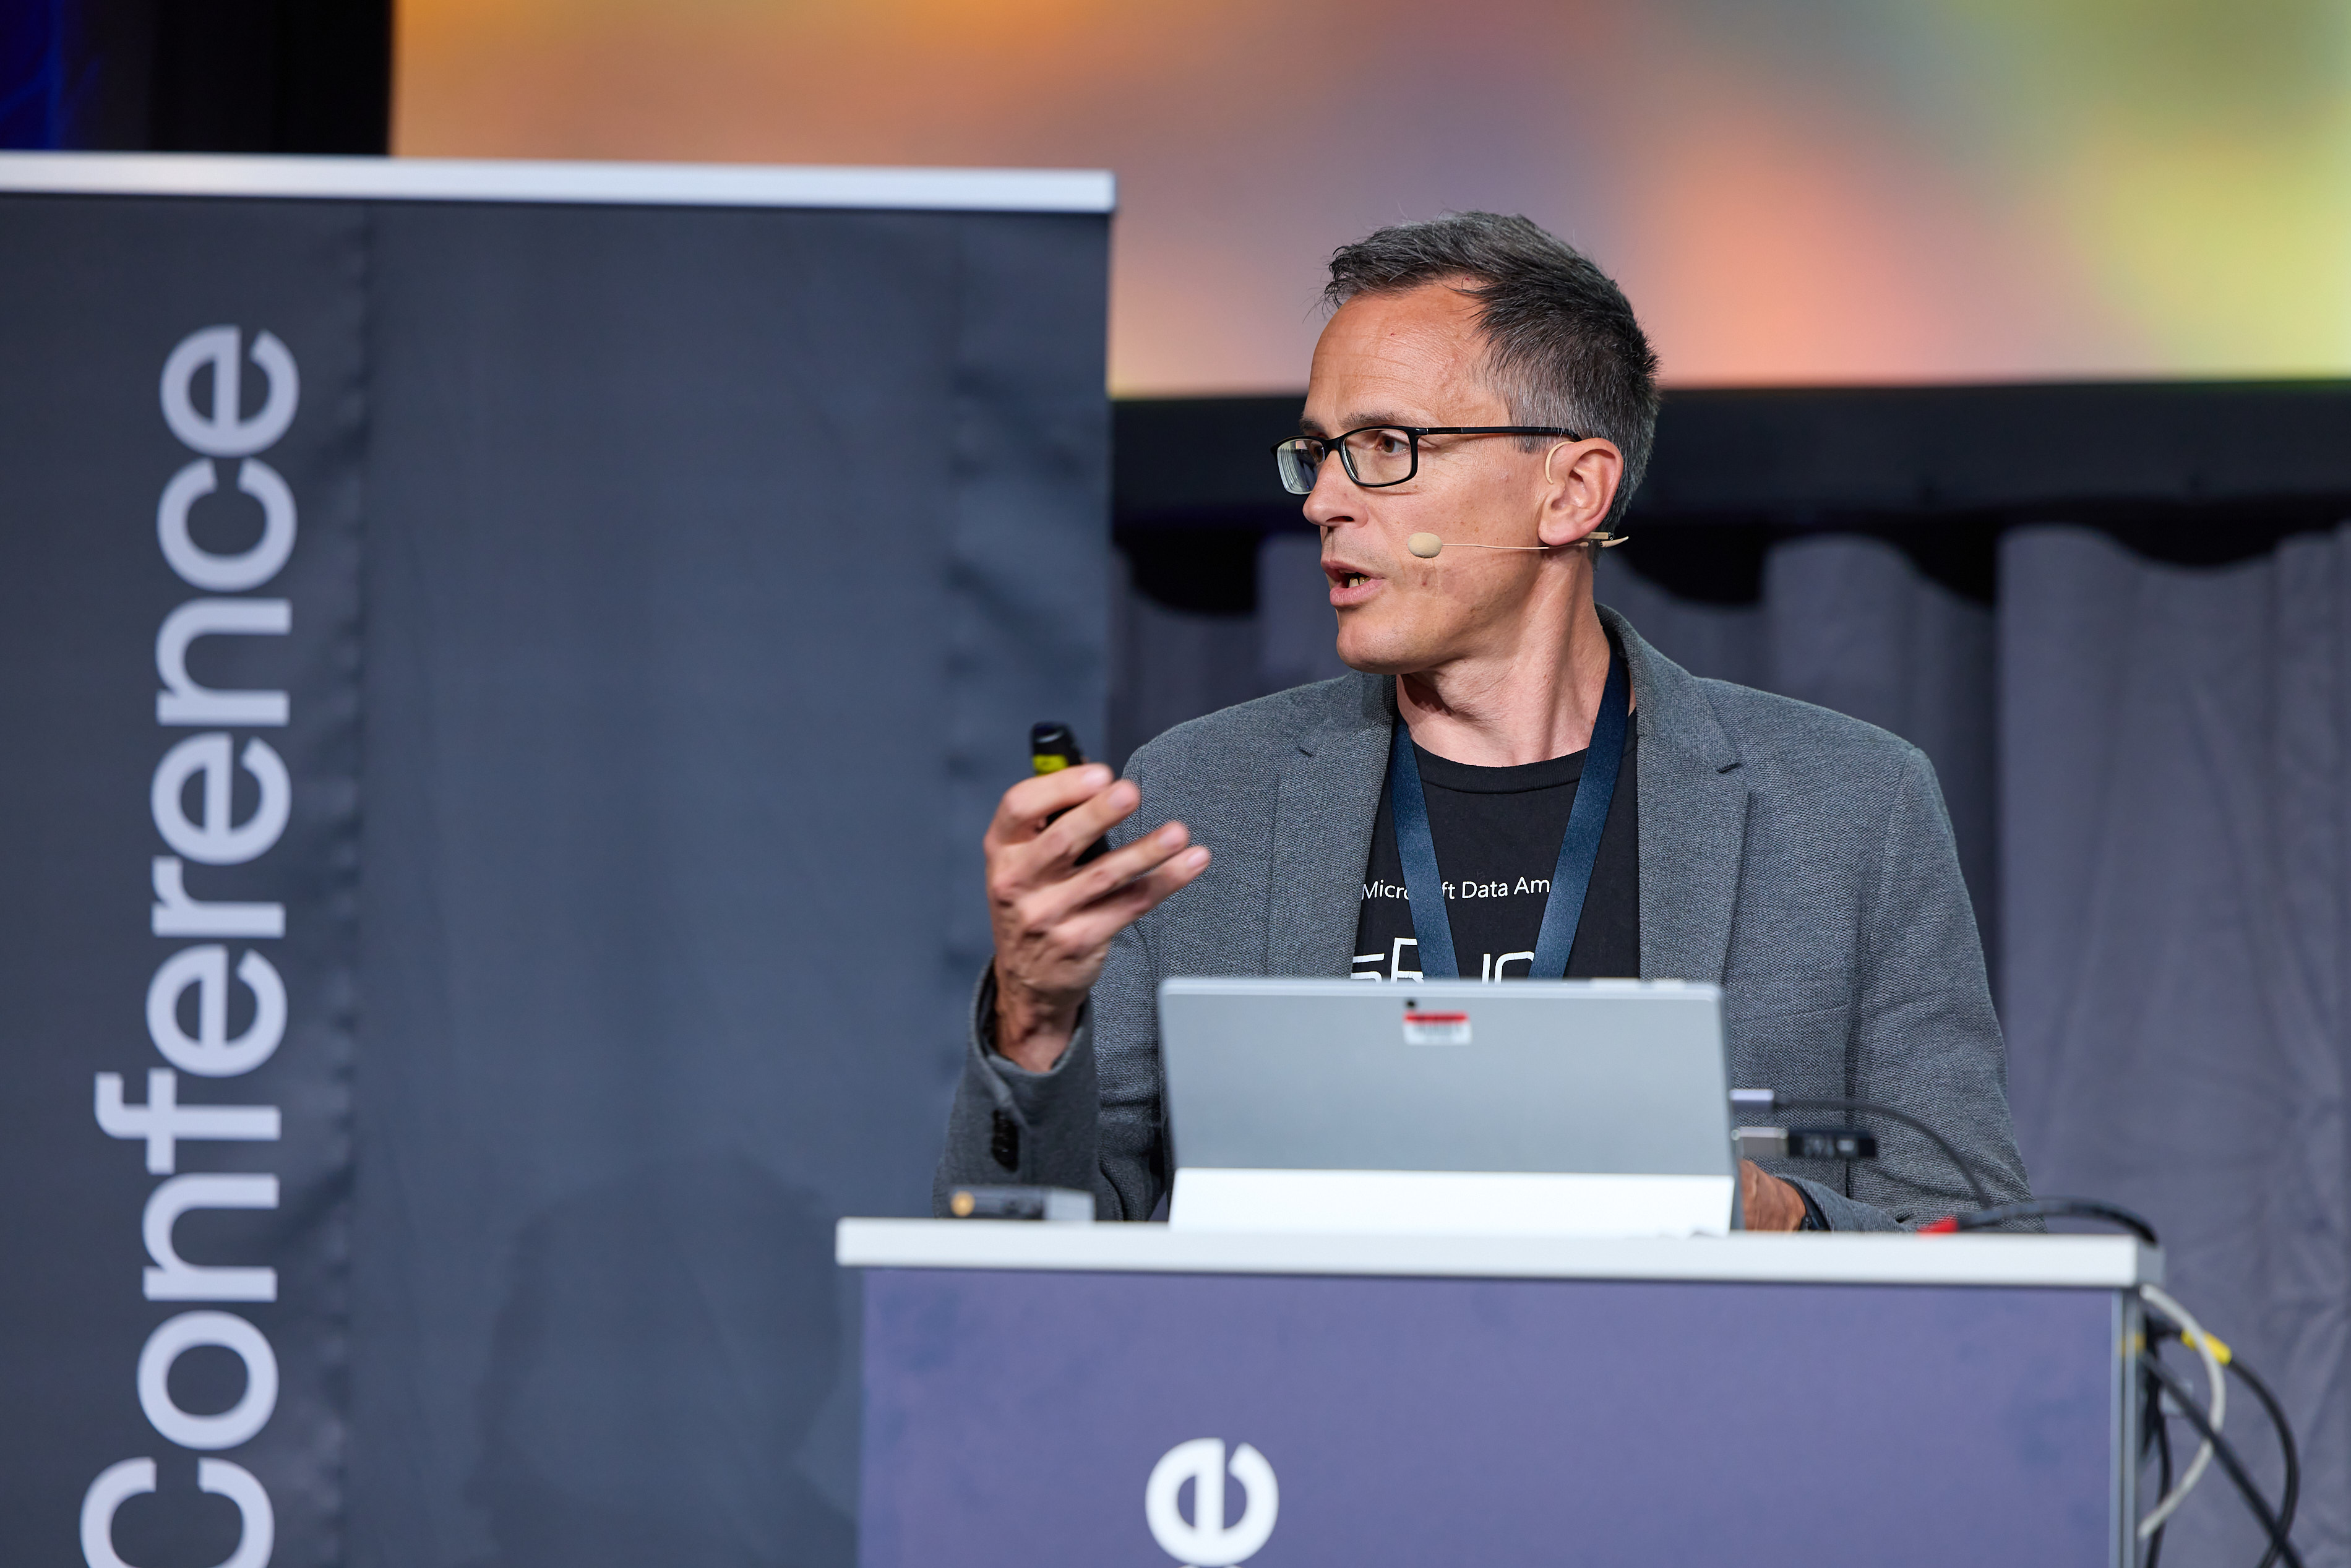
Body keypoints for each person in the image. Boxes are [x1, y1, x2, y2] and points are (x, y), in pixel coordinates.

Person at [935, 212, 2032, 1231]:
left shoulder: (1850, 808)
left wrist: (1772, 1216)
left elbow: (1971, 1244)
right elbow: (1034, 1258)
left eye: (1387, 447)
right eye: (1319, 453)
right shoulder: (1201, 799)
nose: (1323, 502)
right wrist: (1032, 1025)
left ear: (1571, 492)